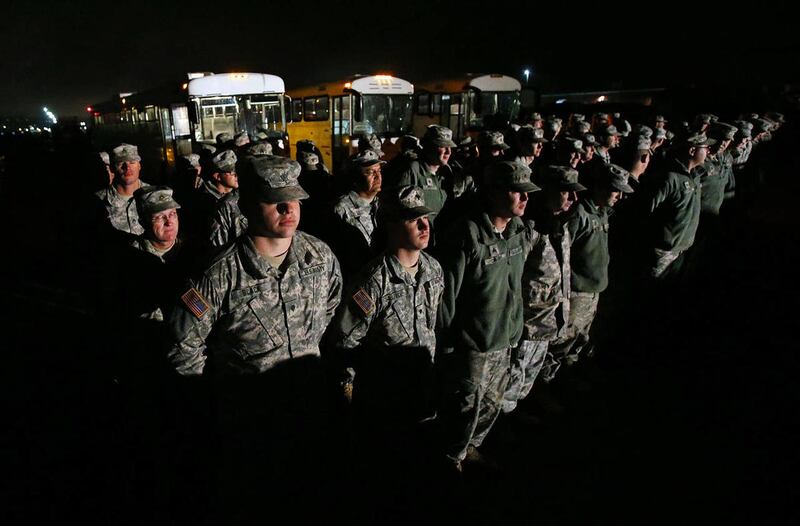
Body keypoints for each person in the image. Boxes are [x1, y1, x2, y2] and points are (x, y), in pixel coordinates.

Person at [166, 154, 343, 519]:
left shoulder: (319, 256)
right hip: (251, 425)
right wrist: (218, 401)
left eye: (294, 199)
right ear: (246, 206)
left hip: (309, 411)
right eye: (275, 200)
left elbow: (330, 308)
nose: (288, 208)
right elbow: (183, 347)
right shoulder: (218, 274)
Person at [436, 160, 540, 472]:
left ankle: (470, 448)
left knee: (491, 406)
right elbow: (447, 295)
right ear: (494, 192)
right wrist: (447, 343)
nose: (525, 198)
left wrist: (516, 328)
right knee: (464, 408)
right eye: (516, 191)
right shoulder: (467, 234)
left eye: (526, 192)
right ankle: (449, 459)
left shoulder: (518, 231)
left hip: (504, 338)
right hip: (473, 345)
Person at [329, 185, 443, 449]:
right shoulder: (372, 282)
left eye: (425, 218)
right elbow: (345, 342)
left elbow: (433, 325)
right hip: (385, 399)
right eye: (413, 220)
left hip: (423, 388)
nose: (424, 226)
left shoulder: (433, 270)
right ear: (391, 225)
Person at [643, 132, 715, 279]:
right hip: (665, 251)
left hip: (682, 249)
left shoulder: (695, 175)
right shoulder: (670, 177)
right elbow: (646, 212)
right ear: (692, 150)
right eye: (705, 148)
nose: (708, 151)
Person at [328, 150, 384, 281]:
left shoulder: (383, 205)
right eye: (370, 172)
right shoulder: (340, 208)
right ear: (354, 177)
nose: (378, 176)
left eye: (379, 170)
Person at [94, 143, 150, 238]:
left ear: (139, 166)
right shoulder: (98, 201)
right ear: (112, 168)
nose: (127, 167)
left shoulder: (152, 194)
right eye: (120, 163)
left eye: (132, 162)